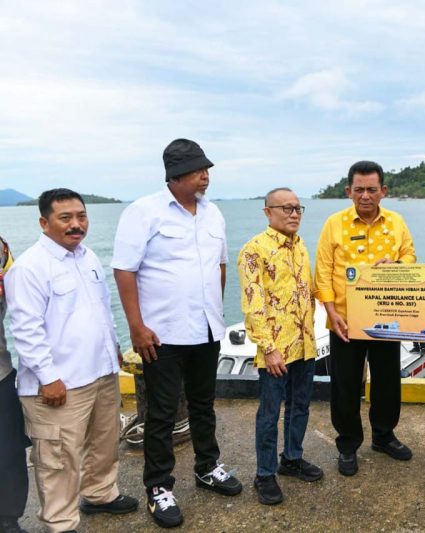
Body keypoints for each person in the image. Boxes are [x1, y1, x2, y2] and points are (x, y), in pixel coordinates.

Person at [112, 139, 241, 528]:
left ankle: (207, 467)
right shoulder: (144, 212)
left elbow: (220, 265)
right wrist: (136, 326)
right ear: (175, 174)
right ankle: (158, 487)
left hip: (205, 328)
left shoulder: (213, 212)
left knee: (203, 404)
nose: (205, 175)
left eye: (206, 169)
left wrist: (214, 309)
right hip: (162, 334)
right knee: (163, 413)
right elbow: (124, 270)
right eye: (198, 169)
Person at [6, 189, 138, 533]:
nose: (76, 224)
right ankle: (60, 523)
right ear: (44, 222)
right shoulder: (30, 267)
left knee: (104, 443)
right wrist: (48, 377)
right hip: (59, 382)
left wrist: (113, 349)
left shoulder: (87, 256)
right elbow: (26, 329)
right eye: (65, 218)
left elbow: (100, 310)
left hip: (100, 372)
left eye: (81, 216)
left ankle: (100, 494)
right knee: (58, 459)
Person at [314, 160, 416, 476]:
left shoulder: (396, 222)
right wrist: (331, 313)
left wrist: (398, 265)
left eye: (372, 189)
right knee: (345, 385)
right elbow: (323, 271)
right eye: (359, 189)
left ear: (383, 191)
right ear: (349, 191)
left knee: (387, 381)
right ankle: (347, 444)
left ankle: (384, 436)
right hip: (344, 321)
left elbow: (410, 256)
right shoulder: (334, 224)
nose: (366, 196)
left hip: (387, 317)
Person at [238, 188, 323, 506]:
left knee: (300, 406)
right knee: (270, 413)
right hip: (276, 350)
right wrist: (268, 347)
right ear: (268, 212)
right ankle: (264, 473)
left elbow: (308, 292)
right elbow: (253, 304)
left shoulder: (300, 245)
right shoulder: (253, 250)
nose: (294, 214)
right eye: (286, 208)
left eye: (298, 208)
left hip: (305, 345)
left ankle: (292, 458)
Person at [0, 235, 30, 533]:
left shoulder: (2, 249)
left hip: (0, 371)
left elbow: (19, 302)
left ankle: (8, 518)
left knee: (8, 452)